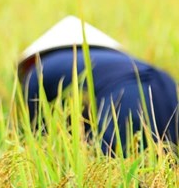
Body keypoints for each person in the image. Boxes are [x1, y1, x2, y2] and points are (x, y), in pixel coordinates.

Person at [19, 16, 178, 154]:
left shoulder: (38, 70)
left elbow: (36, 134)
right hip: (167, 84)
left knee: (115, 172)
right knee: (170, 162)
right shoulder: (106, 60)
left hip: (126, 93)